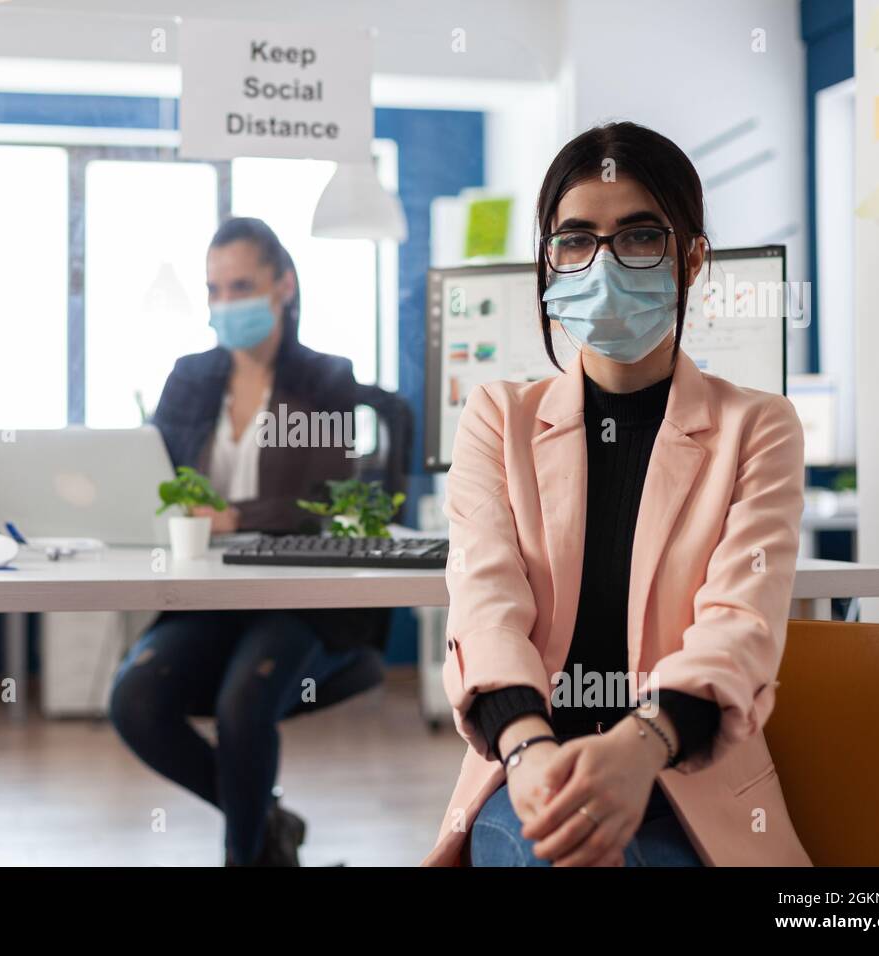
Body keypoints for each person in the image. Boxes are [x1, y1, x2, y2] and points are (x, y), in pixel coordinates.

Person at [423, 122, 810, 867]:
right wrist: (533, 751)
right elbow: (487, 610)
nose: (603, 264)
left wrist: (638, 748)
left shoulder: (758, 426)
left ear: (692, 259)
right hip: (527, 764)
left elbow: (739, 629)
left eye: (638, 237)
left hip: (687, 777)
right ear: (549, 262)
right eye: (575, 240)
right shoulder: (498, 419)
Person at [109, 217, 390, 866]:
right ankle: (269, 827)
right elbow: (153, 480)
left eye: (241, 285)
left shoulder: (327, 379)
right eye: (214, 289)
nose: (225, 303)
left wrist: (231, 516)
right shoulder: (189, 378)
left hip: (295, 594)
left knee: (243, 703)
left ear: (283, 285)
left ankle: (243, 859)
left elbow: (326, 496)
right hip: (207, 593)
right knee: (136, 700)